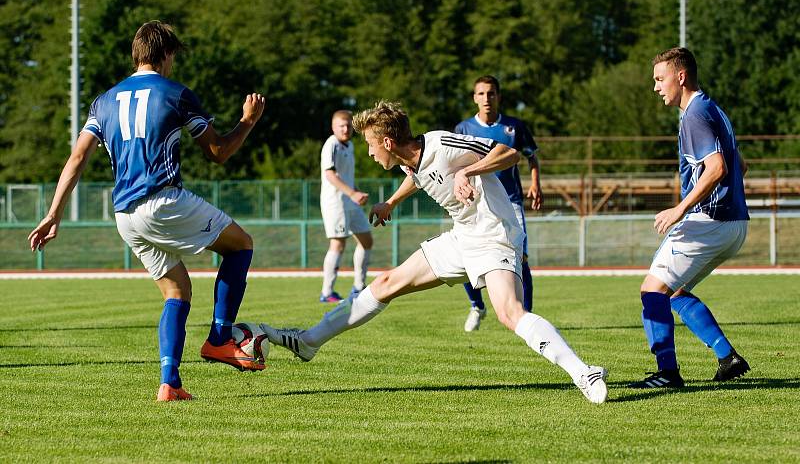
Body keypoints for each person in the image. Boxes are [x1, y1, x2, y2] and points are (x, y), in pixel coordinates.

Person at [260, 100, 609, 404]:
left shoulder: (443, 142)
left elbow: (509, 154)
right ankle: (308, 341)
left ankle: (584, 373)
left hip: (494, 236)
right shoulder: (406, 159)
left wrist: (468, 171)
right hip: (461, 238)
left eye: (370, 145)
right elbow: (418, 174)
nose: (368, 152)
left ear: (387, 141)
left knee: (509, 312)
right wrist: (391, 202)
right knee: (386, 283)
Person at [27, 20, 267, 401]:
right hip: (163, 201)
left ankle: (169, 384)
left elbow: (77, 157)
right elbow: (218, 152)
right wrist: (247, 122)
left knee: (177, 289)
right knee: (241, 245)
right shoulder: (176, 94)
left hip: (125, 215)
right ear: (166, 54)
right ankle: (221, 338)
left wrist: (53, 213)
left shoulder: (103, 101)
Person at [630, 47, 750, 389]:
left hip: (709, 221)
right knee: (676, 291)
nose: (656, 87)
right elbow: (741, 166)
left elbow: (718, 168)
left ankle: (667, 373)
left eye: (659, 78)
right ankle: (727, 357)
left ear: (680, 76)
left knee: (652, 290)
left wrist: (681, 208)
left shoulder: (694, 115)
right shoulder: (714, 109)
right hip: (735, 224)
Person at [455, 75, 542, 331]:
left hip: (511, 201)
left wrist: (535, 184)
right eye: (481, 94)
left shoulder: (514, 127)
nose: (486, 98)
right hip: (476, 203)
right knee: (464, 255)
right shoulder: (463, 129)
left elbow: (531, 158)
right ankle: (477, 306)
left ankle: (527, 316)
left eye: (491, 93)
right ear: (474, 98)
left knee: (521, 257)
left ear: (498, 96)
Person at [318, 110, 373, 303]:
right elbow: (330, 175)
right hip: (335, 203)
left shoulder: (349, 145)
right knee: (338, 244)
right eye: (341, 125)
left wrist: (356, 191)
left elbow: (346, 176)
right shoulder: (331, 144)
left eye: (349, 125)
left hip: (350, 201)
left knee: (367, 240)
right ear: (333, 127)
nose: (346, 128)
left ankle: (358, 287)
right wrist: (352, 193)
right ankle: (327, 292)